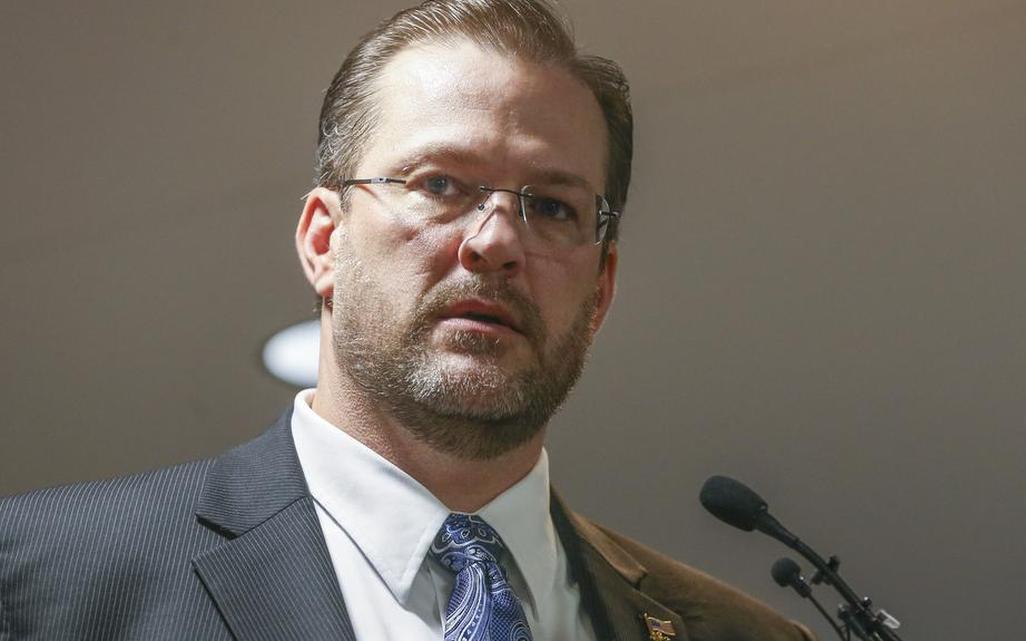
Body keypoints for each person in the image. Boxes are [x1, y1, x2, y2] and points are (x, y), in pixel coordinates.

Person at [0, 1, 815, 639]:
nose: (497, 241)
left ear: (600, 290)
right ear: (324, 241)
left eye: (552, 206)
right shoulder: (44, 580)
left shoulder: (742, 635)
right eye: (439, 185)